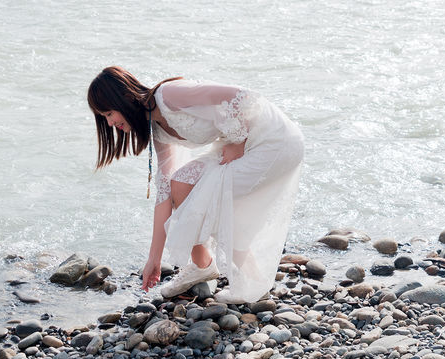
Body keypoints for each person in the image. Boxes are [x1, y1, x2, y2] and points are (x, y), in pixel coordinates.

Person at [87, 66, 304, 303]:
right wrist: (154, 259)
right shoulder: (157, 128)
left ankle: (251, 279)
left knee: (200, 193)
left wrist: (238, 141)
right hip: (243, 143)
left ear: (125, 98)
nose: (109, 124)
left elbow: (240, 95)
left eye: (109, 114)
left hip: (273, 141)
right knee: (180, 185)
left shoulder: (169, 94)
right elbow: (165, 191)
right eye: (104, 118)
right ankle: (205, 265)